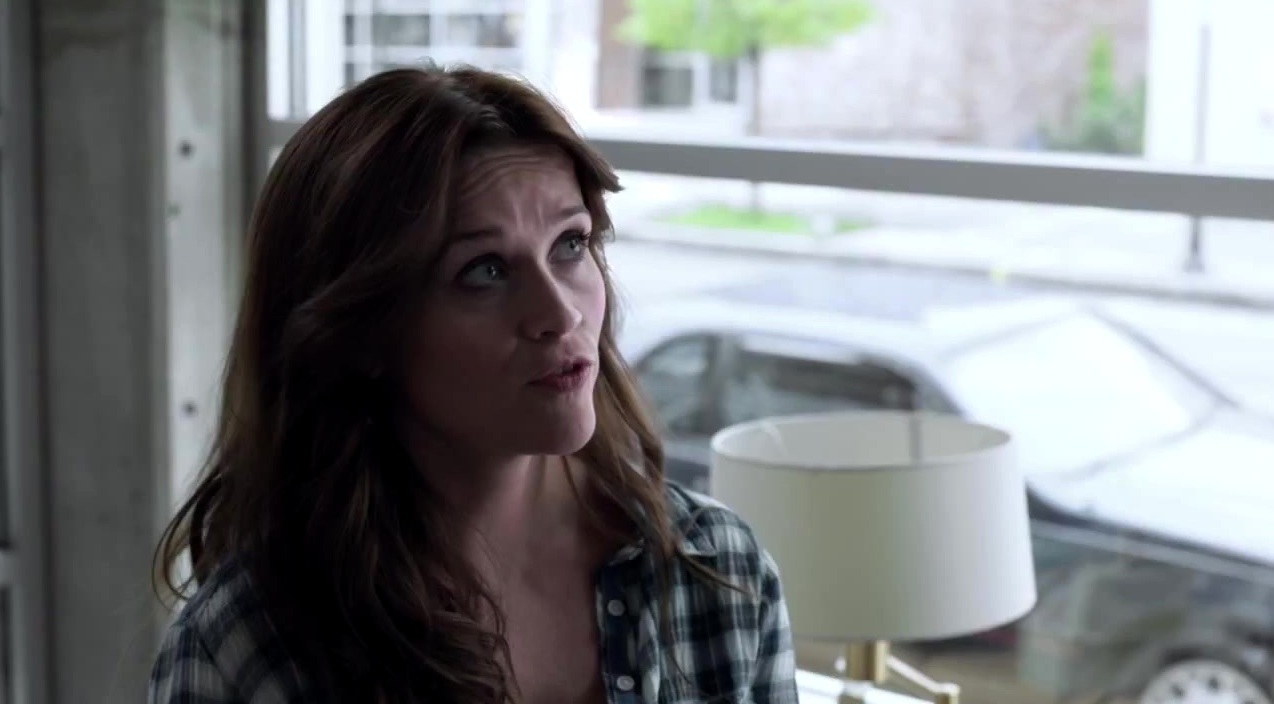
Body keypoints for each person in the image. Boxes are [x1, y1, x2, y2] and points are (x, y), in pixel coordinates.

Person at [149, 64, 798, 704]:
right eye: (485, 271)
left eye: (571, 245)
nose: (560, 314)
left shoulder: (717, 572)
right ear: (363, 332)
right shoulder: (252, 647)